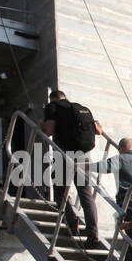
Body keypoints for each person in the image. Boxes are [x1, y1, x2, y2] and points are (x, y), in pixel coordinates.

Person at [41, 90, 102, 247]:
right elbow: (99, 130)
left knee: (60, 192)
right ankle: (93, 234)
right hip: (84, 156)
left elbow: (48, 131)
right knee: (86, 194)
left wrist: (41, 124)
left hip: (64, 155)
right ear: (65, 97)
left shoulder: (52, 107)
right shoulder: (81, 108)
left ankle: (71, 221)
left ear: (52, 98)